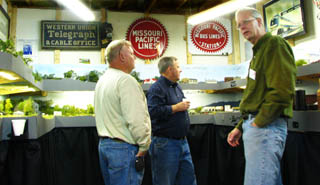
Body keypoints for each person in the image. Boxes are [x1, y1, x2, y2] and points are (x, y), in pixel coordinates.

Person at [227, 7, 296, 185]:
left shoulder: (275, 45)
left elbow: (282, 91)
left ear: (259, 21)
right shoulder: (258, 54)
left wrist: (258, 123)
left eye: (246, 22)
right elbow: (256, 97)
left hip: (265, 128)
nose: (242, 28)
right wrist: (241, 127)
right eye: (238, 25)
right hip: (259, 128)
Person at [94, 40, 151, 185]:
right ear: (122, 56)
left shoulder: (102, 81)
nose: (135, 58)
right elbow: (136, 118)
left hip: (105, 146)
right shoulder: (126, 81)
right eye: (132, 54)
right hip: (124, 149)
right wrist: (144, 145)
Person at [147, 56, 197, 185]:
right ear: (170, 69)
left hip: (182, 142)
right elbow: (152, 112)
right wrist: (175, 108)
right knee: (164, 181)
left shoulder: (177, 87)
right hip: (165, 144)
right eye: (178, 67)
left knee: (188, 179)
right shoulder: (156, 88)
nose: (181, 70)